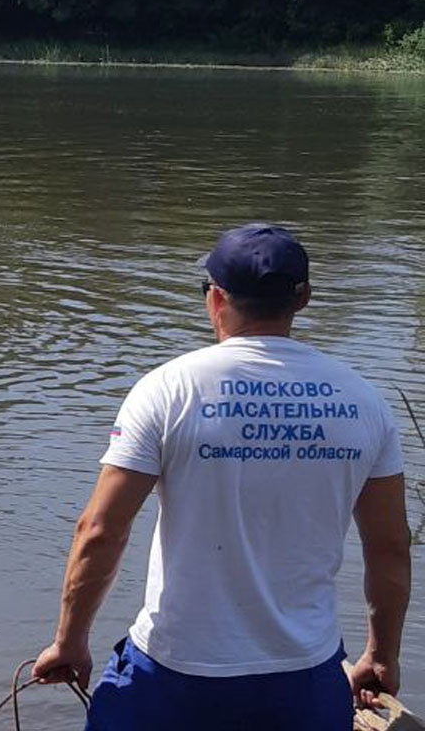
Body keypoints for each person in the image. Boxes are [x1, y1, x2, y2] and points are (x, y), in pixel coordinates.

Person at [32, 224, 410, 730]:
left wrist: (69, 641)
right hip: (303, 675)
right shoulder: (365, 403)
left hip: (174, 672)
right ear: (305, 298)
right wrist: (381, 654)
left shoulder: (168, 389)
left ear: (215, 298)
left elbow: (100, 530)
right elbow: (389, 547)